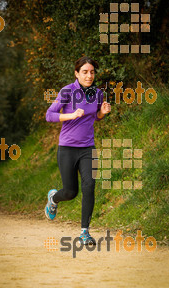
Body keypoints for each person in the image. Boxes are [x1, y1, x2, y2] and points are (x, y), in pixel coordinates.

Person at [45, 56, 111, 245]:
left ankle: (85, 232)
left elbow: (95, 117)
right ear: (77, 73)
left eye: (92, 72)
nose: (89, 75)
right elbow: (49, 115)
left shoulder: (98, 93)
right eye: (85, 72)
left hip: (87, 147)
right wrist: (71, 115)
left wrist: (102, 113)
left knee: (90, 186)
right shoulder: (67, 91)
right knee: (70, 192)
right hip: (67, 147)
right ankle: (53, 198)